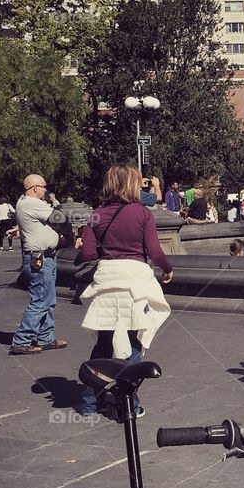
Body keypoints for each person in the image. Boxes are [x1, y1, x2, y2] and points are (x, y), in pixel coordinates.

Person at [77, 164, 174, 417]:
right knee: (132, 342)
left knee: (103, 342)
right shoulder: (141, 213)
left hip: (106, 279)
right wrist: (167, 268)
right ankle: (129, 403)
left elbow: (87, 253)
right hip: (134, 280)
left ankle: (89, 402)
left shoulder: (96, 214)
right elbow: (154, 251)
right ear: (132, 184)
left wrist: (106, 251)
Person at [9, 176, 68, 355]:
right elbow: (58, 217)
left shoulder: (23, 202)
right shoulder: (32, 203)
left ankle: (45, 337)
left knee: (48, 300)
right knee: (40, 301)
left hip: (43, 257)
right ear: (35, 188)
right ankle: (21, 340)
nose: (45, 191)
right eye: (43, 187)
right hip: (41, 258)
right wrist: (56, 204)